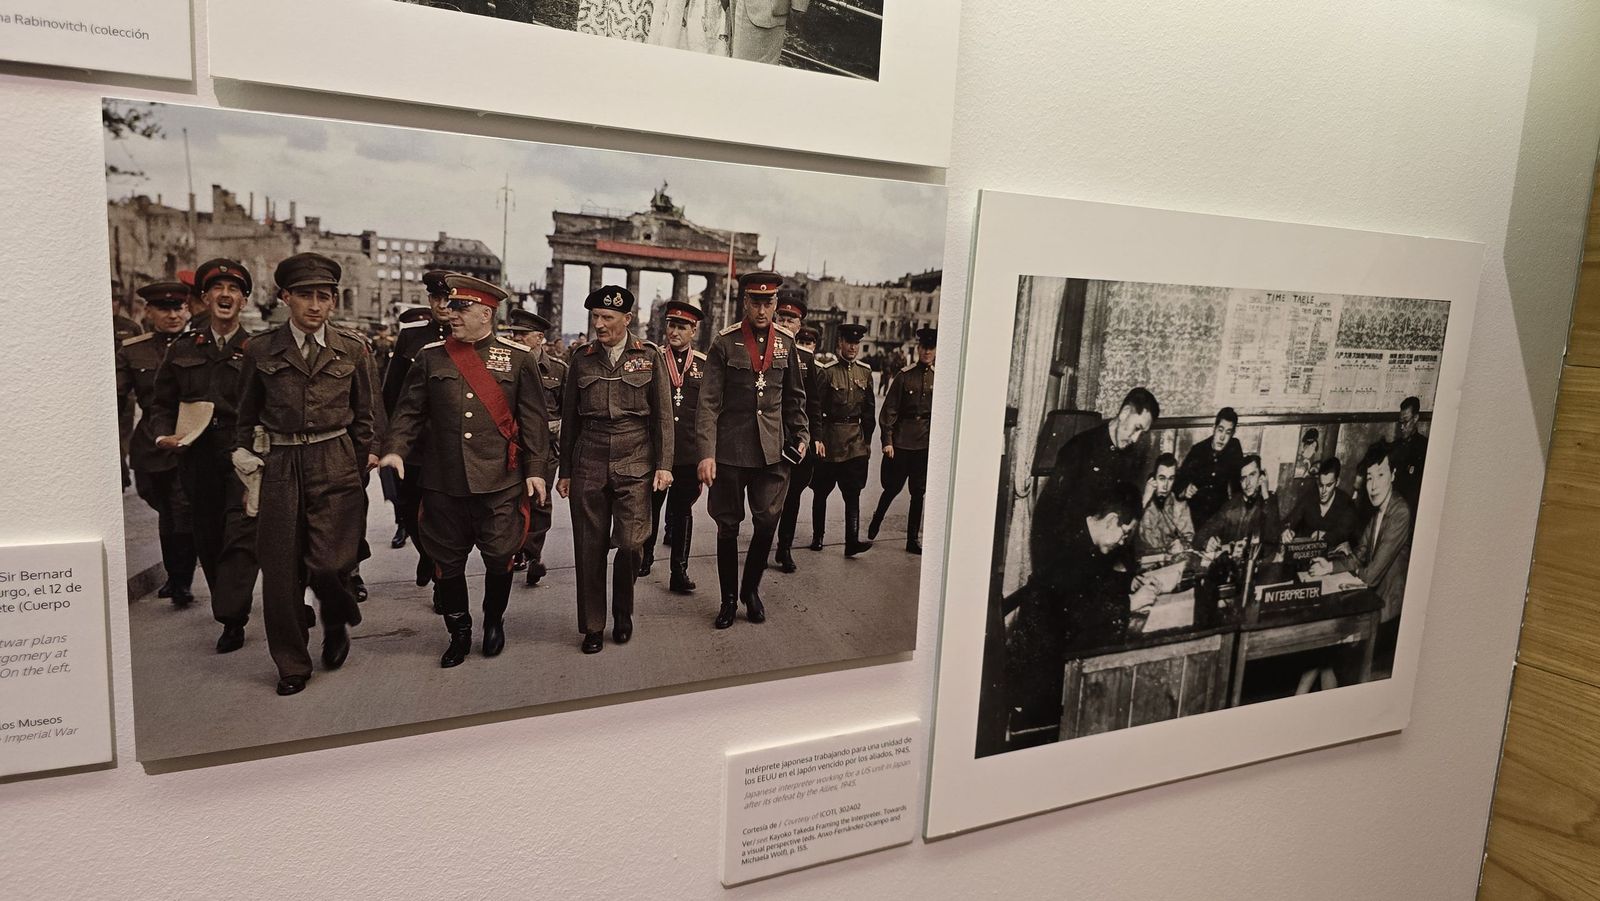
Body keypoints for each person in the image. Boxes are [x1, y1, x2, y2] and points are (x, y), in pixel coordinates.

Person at [381, 275, 550, 668]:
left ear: (486, 314)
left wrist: (536, 470)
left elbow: (534, 422)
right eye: (451, 306)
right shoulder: (430, 357)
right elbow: (408, 412)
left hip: (500, 482)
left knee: (499, 556)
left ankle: (494, 622)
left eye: (462, 308)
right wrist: (394, 451)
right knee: (447, 561)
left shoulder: (519, 359)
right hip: (444, 482)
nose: (451, 314)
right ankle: (459, 632)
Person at [233, 253, 376, 696]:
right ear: (285, 298)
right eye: (306, 296)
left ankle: (336, 618)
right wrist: (245, 458)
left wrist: (354, 468)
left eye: (324, 297)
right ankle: (292, 662)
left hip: (335, 457)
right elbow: (245, 414)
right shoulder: (260, 350)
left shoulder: (353, 349)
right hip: (280, 463)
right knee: (279, 571)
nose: (315, 306)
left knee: (332, 563)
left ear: (333, 302)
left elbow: (367, 418)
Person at [150, 259, 261, 653]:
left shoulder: (256, 350)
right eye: (218, 289)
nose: (226, 296)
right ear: (204, 298)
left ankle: (232, 616)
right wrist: (164, 433)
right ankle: (227, 605)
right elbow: (161, 401)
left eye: (234, 290)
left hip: (241, 457)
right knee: (209, 538)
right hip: (196, 458)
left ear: (244, 299)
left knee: (240, 535)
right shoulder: (183, 348)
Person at [558, 286, 673, 653]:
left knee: (631, 541)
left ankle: (623, 608)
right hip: (589, 456)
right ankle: (593, 625)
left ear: (627, 320)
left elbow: (663, 417)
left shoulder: (649, 356)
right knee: (589, 546)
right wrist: (564, 471)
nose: (599, 324)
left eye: (607, 318)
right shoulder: (582, 358)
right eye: (595, 317)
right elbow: (569, 418)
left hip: (635, 456)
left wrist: (663, 465)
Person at [696, 272, 808, 629]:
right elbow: (708, 403)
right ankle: (729, 600)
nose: (762, 310)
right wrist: (706, 452)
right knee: (728, 526)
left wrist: (801, 434)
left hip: (771, 453)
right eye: (755, 302)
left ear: (776, 304)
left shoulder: (786, 343)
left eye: (768, 303)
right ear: (745, 303)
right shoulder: (725, 342)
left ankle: (751, 590)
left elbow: (795, 398)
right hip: (730, 451)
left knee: (766, 522)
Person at [1005, 484, 1155, 732]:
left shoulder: (1084, 537)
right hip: (1042, 677)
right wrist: (1131, 603)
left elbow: (1092, 583)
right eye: (1124, 533)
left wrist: (1127, 581)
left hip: (1051, 656)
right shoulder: (1071, 547)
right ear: (1111, 521)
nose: (1122, 541)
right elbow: (1080, 611)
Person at [117, 281, 197, 608]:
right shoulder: (133, 349)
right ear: (148, 312)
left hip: (189, 437)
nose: (173, 314)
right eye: (164, 309)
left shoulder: (197, 345)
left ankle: (181, 581)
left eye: (178, 308)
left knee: (181, 509)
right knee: (163, 508)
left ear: (188, 309)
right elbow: (116, 394)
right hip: (150, 443)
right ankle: (175, 576)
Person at [1029, 387, 1158, 568]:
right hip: (1066, 558)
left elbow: (1124, 517)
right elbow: (1048, 514)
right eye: (1136, 428)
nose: (1136, 439)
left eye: (1142, 433)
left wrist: (1127, 573)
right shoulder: (1079, 448)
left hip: (1101, 558)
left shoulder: (1131, 460)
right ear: (1125, 413)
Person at [382, 273, 454, 587]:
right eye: (437, 298)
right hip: (414, 445)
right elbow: (391, 392)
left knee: (443, 517)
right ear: (428, 300)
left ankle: (442, 578)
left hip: (448, 446)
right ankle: (426, 554)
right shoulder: (411, 338)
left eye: (449, 299)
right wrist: (390, 441)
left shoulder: (465, 337)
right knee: (410, 510)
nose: (443, 305)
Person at [1309, 442, 1413, 659]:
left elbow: (1371, 575)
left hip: (1388, 613)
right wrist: (1329, 566)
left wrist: (1347, 573)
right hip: (1372, 602)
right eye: (1369, 478)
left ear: (1393, 475)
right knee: (1324, 650)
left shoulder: (1400, 512)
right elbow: (1358, 557)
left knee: (1329, 650)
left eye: (1381, 475)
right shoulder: (1377, 514)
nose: (1373, 485)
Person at [641, 300, 707, 592]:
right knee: (650, 507)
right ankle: (644, 557)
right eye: (671, 325)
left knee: (683, 511)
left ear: (694, 330)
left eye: (682, 327)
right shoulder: (651, 359)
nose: (675, 332)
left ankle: (679, 570)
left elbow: (709, 412)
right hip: (655, 451)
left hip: (688, 453)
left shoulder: (704, 365)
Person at [503, 308, 567, 587]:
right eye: (514, 334)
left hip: (545, 448)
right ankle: (514, 549)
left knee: (540, 501)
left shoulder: (558, 370)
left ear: (539, 338)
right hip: (509, 446)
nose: (516, 339)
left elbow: (568, 412)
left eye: (523, 335)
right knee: (511, 500)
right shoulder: (503, 365)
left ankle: (531, 555)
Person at [808, 322, 876, 557]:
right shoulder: (827, 373)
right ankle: (818, 537)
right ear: (840, 344)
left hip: (855, 441)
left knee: (853, 493)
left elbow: (869, 411)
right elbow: (815, 409)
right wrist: (817, 438)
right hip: (830, 440)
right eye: (849, 342)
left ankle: (852, 540)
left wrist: (867, 442)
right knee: (821, 491)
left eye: (856, 343)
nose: (853, 347)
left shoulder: (865, 373)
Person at [869, 327, 935, 554]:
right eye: (923, 348)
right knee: (892, 488)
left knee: (918, 492)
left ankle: (912, 540)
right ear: (917, 348)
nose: (927, 352)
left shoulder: (939, 378)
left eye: (931, 348)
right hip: (902, 442)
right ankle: (877, 520)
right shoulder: (904, 376)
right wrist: (887, 440)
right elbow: (889, 411)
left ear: (935, 351)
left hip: (924, 444)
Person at [773, 299, 818, 573]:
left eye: (791, 320)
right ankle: (761, 540)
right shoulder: (765, 351)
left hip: (796, 440)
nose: (785, 324)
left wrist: (814, 437)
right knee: (765, 500)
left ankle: (784, 548)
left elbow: (813, 402)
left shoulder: (807, 359)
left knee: (793, 497)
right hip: (769, 437)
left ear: (799, 326)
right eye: (782, 318)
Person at [1194, 454, 1282, 562]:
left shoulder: (1269, 500)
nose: (1248, 483)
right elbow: (1200, 535)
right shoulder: (1231, 505)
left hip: (1258, 565)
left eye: (1252, 475)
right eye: (1243, 478)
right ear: (1240, 482)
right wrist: (1206, 542)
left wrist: (1265, 497)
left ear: (1261, 478)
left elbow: (1272, 540)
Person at [1177, 407, 1243, 530]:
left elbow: (1237, 487)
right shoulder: (1198, 450)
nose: (1222, 437)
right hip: (1195, 516)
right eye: (1220, 430)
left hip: (1220, 516)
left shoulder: (1234, 449)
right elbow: (1178, 482)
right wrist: (1186, 489)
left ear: (1232, 434)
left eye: (1228, 432)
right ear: (1214, 428)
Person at [1282, 457, 1360, 553]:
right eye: (1320, 485)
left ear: (1337, 482)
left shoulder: (1346, 503)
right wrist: (1287, 530)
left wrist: (1326, 536)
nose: (1323, 491)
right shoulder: (1309, 496)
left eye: (1328, 485)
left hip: (1332, 560)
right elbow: (1290, 519)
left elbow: (1345, 534)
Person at [1137, 452, 1193, 559]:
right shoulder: (1140, 503)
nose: (1166, 486)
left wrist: (1182, 545)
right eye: (1162, 478)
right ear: (1153, 479)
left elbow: (1189, 537)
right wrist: (1144, 501)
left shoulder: (1180, 505)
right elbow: (1129, 538)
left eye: (1170, 479)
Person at [731, 0, 807, 65]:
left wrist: (798, 7)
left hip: (766, 11)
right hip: (738, 6)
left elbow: (798, 9)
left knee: (761, 70)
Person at [1391, 396, 1428, 518]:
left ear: (1416, 418)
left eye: (1406, 422)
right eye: (1400, 422)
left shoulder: (1424, 447)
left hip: (1411, 510)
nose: (1402, 427)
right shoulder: (1395, 446)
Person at [1276, 428, 1321, 520]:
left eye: (1314, 447)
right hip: (1290, 497)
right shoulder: (1299, 460)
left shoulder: (1311, 463)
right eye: (1311, 446)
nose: (1313, 450)